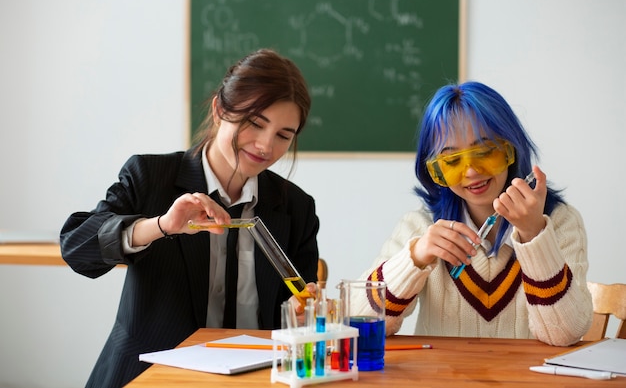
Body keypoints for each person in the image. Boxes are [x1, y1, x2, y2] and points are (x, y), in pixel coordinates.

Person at [60, 49, 320, 388]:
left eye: (284, 135)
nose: (265, 145)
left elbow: (299, 307)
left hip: (255, 380)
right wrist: (160, 226)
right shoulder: (150, 176)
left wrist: (303, 316)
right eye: (255, 123)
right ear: (219, 110)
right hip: (152, 379)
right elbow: (76, 247)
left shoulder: (296, 208)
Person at [358, 81, 592, 347]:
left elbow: (565, 335)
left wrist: (534, 235)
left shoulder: (560, 222)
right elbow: (357, 320)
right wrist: (416, 257)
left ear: (511, 150)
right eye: (452, 161)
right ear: (435, 171)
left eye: (484, 152)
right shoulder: (421, 225)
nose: (471, 172)